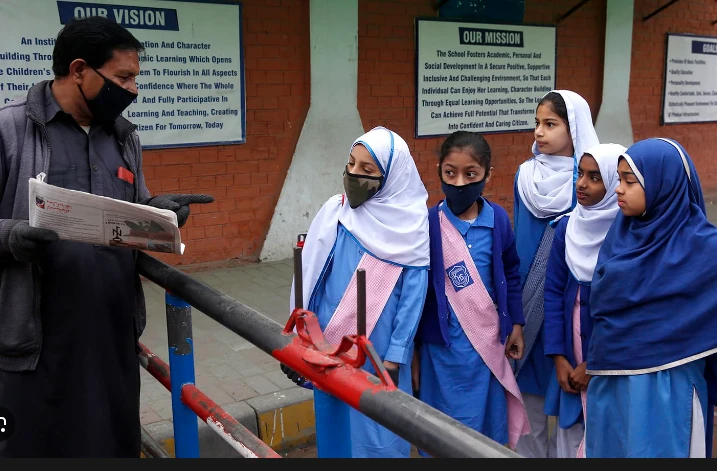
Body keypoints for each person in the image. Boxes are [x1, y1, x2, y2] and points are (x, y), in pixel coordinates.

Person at [0, 16, 212, 457]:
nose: (133, 89)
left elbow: (129, 215)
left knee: (110, 441)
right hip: (35, 339)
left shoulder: (123, 138)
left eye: (135, 77)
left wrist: (159, 215)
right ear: (79, 70)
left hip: (111, 332)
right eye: (123, 77)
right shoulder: (10, 131)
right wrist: (11, 236)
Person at [284, 126, 430, 458]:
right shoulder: (336, 212)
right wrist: (298, 334)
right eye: (351, 164)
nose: (353, 175)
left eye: (367, 170)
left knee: (378, 433)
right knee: (335, 426)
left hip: (378, 356)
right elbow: (310, 275)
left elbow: (412, 300)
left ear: (392, 177)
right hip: (330, 344)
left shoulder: (412, 227)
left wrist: (394, 357)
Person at [585, 138, 717, 458]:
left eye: (630, 181)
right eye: (619, 179)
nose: (618, 189)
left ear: (665, 186)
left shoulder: (706, 250)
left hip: (671, 391)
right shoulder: (621, 238)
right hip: (613, 387)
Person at [413, 131, 529, 454]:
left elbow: (511, 273)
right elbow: (420, 291)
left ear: (488, 176)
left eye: (471, 174)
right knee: (441, 428)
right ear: (439, 170)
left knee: (484, 431)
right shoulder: (429, 225)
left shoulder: (498, 222)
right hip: (442, 350)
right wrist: (415, 351)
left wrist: (516, 323)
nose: (460, 182)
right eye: (450, 173)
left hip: (486, 346)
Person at [512, 90, 599, 458]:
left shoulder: (592, 180)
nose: (539, 132)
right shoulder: (525, 176)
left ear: (574, 128)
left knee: (572, 409)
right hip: (528, 310)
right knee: (527, 406)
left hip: (569, 312)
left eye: (550, 124)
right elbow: (518, 240)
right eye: (537, 123)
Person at [542, 143, 626, 458]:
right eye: (580, 173)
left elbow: (628, 312)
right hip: (569, 358)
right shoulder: (568, 226)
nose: (581, 183)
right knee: (567, 435)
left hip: (609, 362)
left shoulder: (625, 232)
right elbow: (553, 291)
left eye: (594, 177)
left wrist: (595, 365)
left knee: (607, 436)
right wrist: (558, 357)